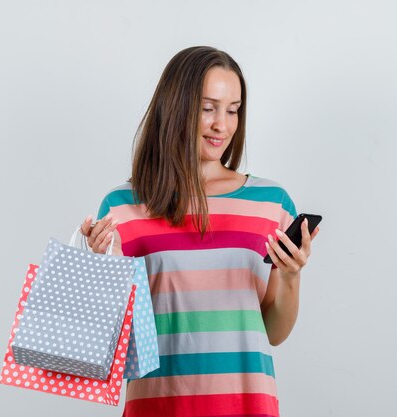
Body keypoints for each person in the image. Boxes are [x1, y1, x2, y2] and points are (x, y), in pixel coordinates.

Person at [79, 46, 319, 417]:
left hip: (247, 406)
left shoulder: (271, 203)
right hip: (155, 407)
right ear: (175, 107)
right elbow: (109, 346)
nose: (221, 124)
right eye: (208, 108)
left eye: (233, 110)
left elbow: (273, 332)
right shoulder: (122, 207)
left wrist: (290, 275)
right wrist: (99, 270)